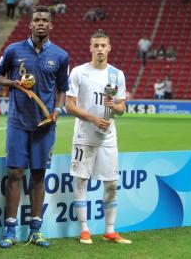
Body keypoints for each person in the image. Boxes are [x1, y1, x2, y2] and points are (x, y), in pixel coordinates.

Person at [0, 5, 69, 248]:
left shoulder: (60, 55)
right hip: (17, 122)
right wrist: (14, 83)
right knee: (14, 174)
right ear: (30, 24)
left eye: (45, 20)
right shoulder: (14, 50)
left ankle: (35, 229)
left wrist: (56, 110)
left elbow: (62, 89)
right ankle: (10, 230)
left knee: (38, 176)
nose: (41, 23)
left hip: (44, 126)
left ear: (51, 25)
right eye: (37, 19)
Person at [65, 29, 132, 246]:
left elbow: (122, 108)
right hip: (84, 135)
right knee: (81, 180)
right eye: (97, 45)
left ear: (109, 48)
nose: (100, 49)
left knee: (111, 183)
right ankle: (85, 230)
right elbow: (69, 106)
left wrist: (116, 107)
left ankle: (110, 231)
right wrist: (92, 119)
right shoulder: (78, 72)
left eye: (104, 45)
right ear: (90, 47)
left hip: (108, 136)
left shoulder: (117, 75)